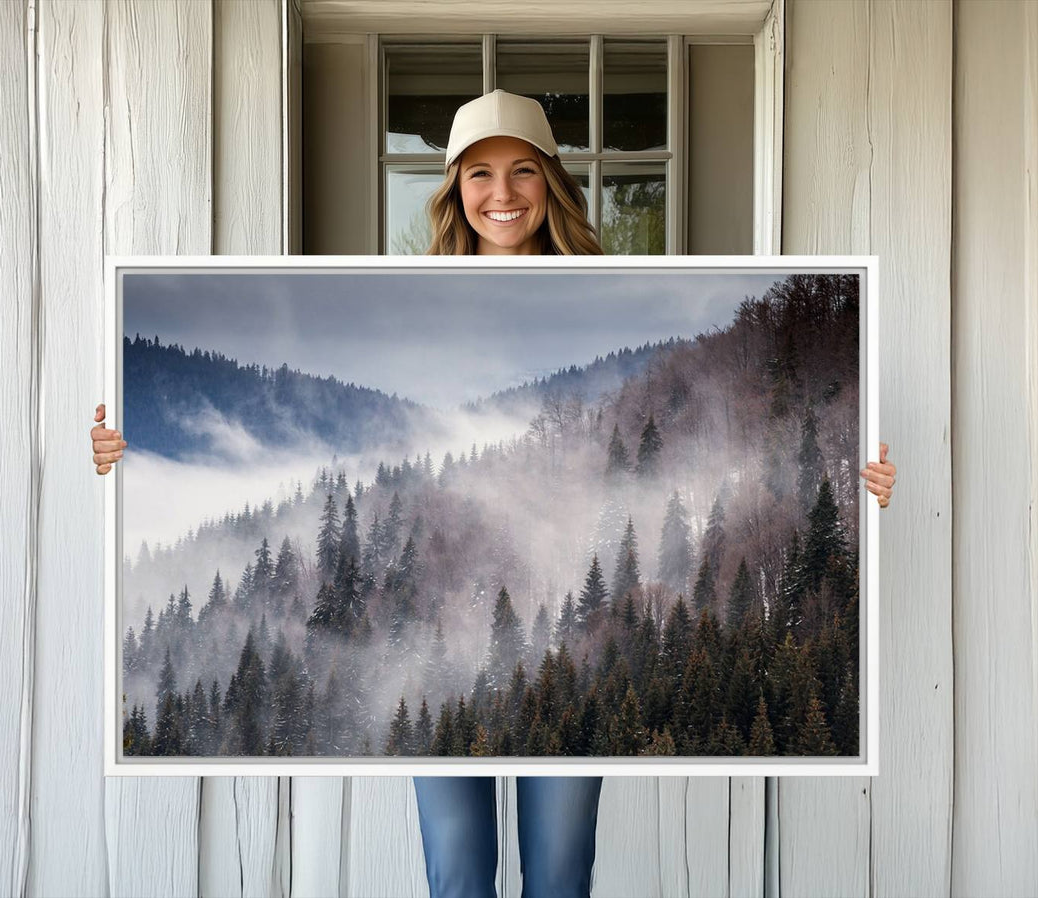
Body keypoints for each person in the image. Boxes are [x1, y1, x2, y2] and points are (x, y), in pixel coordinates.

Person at [90, 89, 898, 898]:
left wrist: (853, 482)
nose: (502, 194)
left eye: (522, 172)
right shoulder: (401, 313)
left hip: (568, 634)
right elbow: (310, 436)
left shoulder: (616, 302)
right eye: (479, 174)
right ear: (453, 189)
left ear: (551, 182)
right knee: (459, 877)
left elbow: (736, 453)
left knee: (558, 876)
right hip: (434, 637)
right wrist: (129, 451)